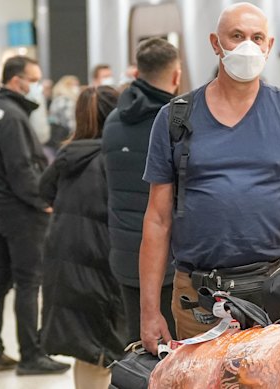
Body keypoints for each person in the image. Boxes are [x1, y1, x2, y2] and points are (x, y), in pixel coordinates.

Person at [140, 2, 280, 354]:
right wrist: (149, 311)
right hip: (198, 297)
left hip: (275, 289)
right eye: (237, 36)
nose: (248, 46)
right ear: (216, 43)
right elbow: (157, 218)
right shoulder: (176, 117)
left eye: (257, 37)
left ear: (269, 46)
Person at [39, 85, 126, 388]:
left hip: (65, 261)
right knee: (106, 349)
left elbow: (43, 191)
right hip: (102, 262)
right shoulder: (115, 159)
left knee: (88, 350)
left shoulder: (67, 156)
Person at [102, 38, 180, 345]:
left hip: (124, 253)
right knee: (171, 353)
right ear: (175, 76)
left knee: (136, 346)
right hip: (168, 258)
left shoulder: (112, 121)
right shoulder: (176, 123)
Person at [0, 56, 70, 375]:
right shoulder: (12, 117)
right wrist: (44, 201)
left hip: (2, 210)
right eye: (35, 79)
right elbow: (21, 168)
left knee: (0, 284)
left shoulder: (2, 111)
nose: (38, 86)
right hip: (21, 213)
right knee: (29, 283)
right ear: (17, 81)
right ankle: (31, 355)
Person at [47, 75, 80, 151]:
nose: (76, 87)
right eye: (74, 85)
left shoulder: (57, 99)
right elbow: (70, 123)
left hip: (56, 136)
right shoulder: (67, 101)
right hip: (66, 137)